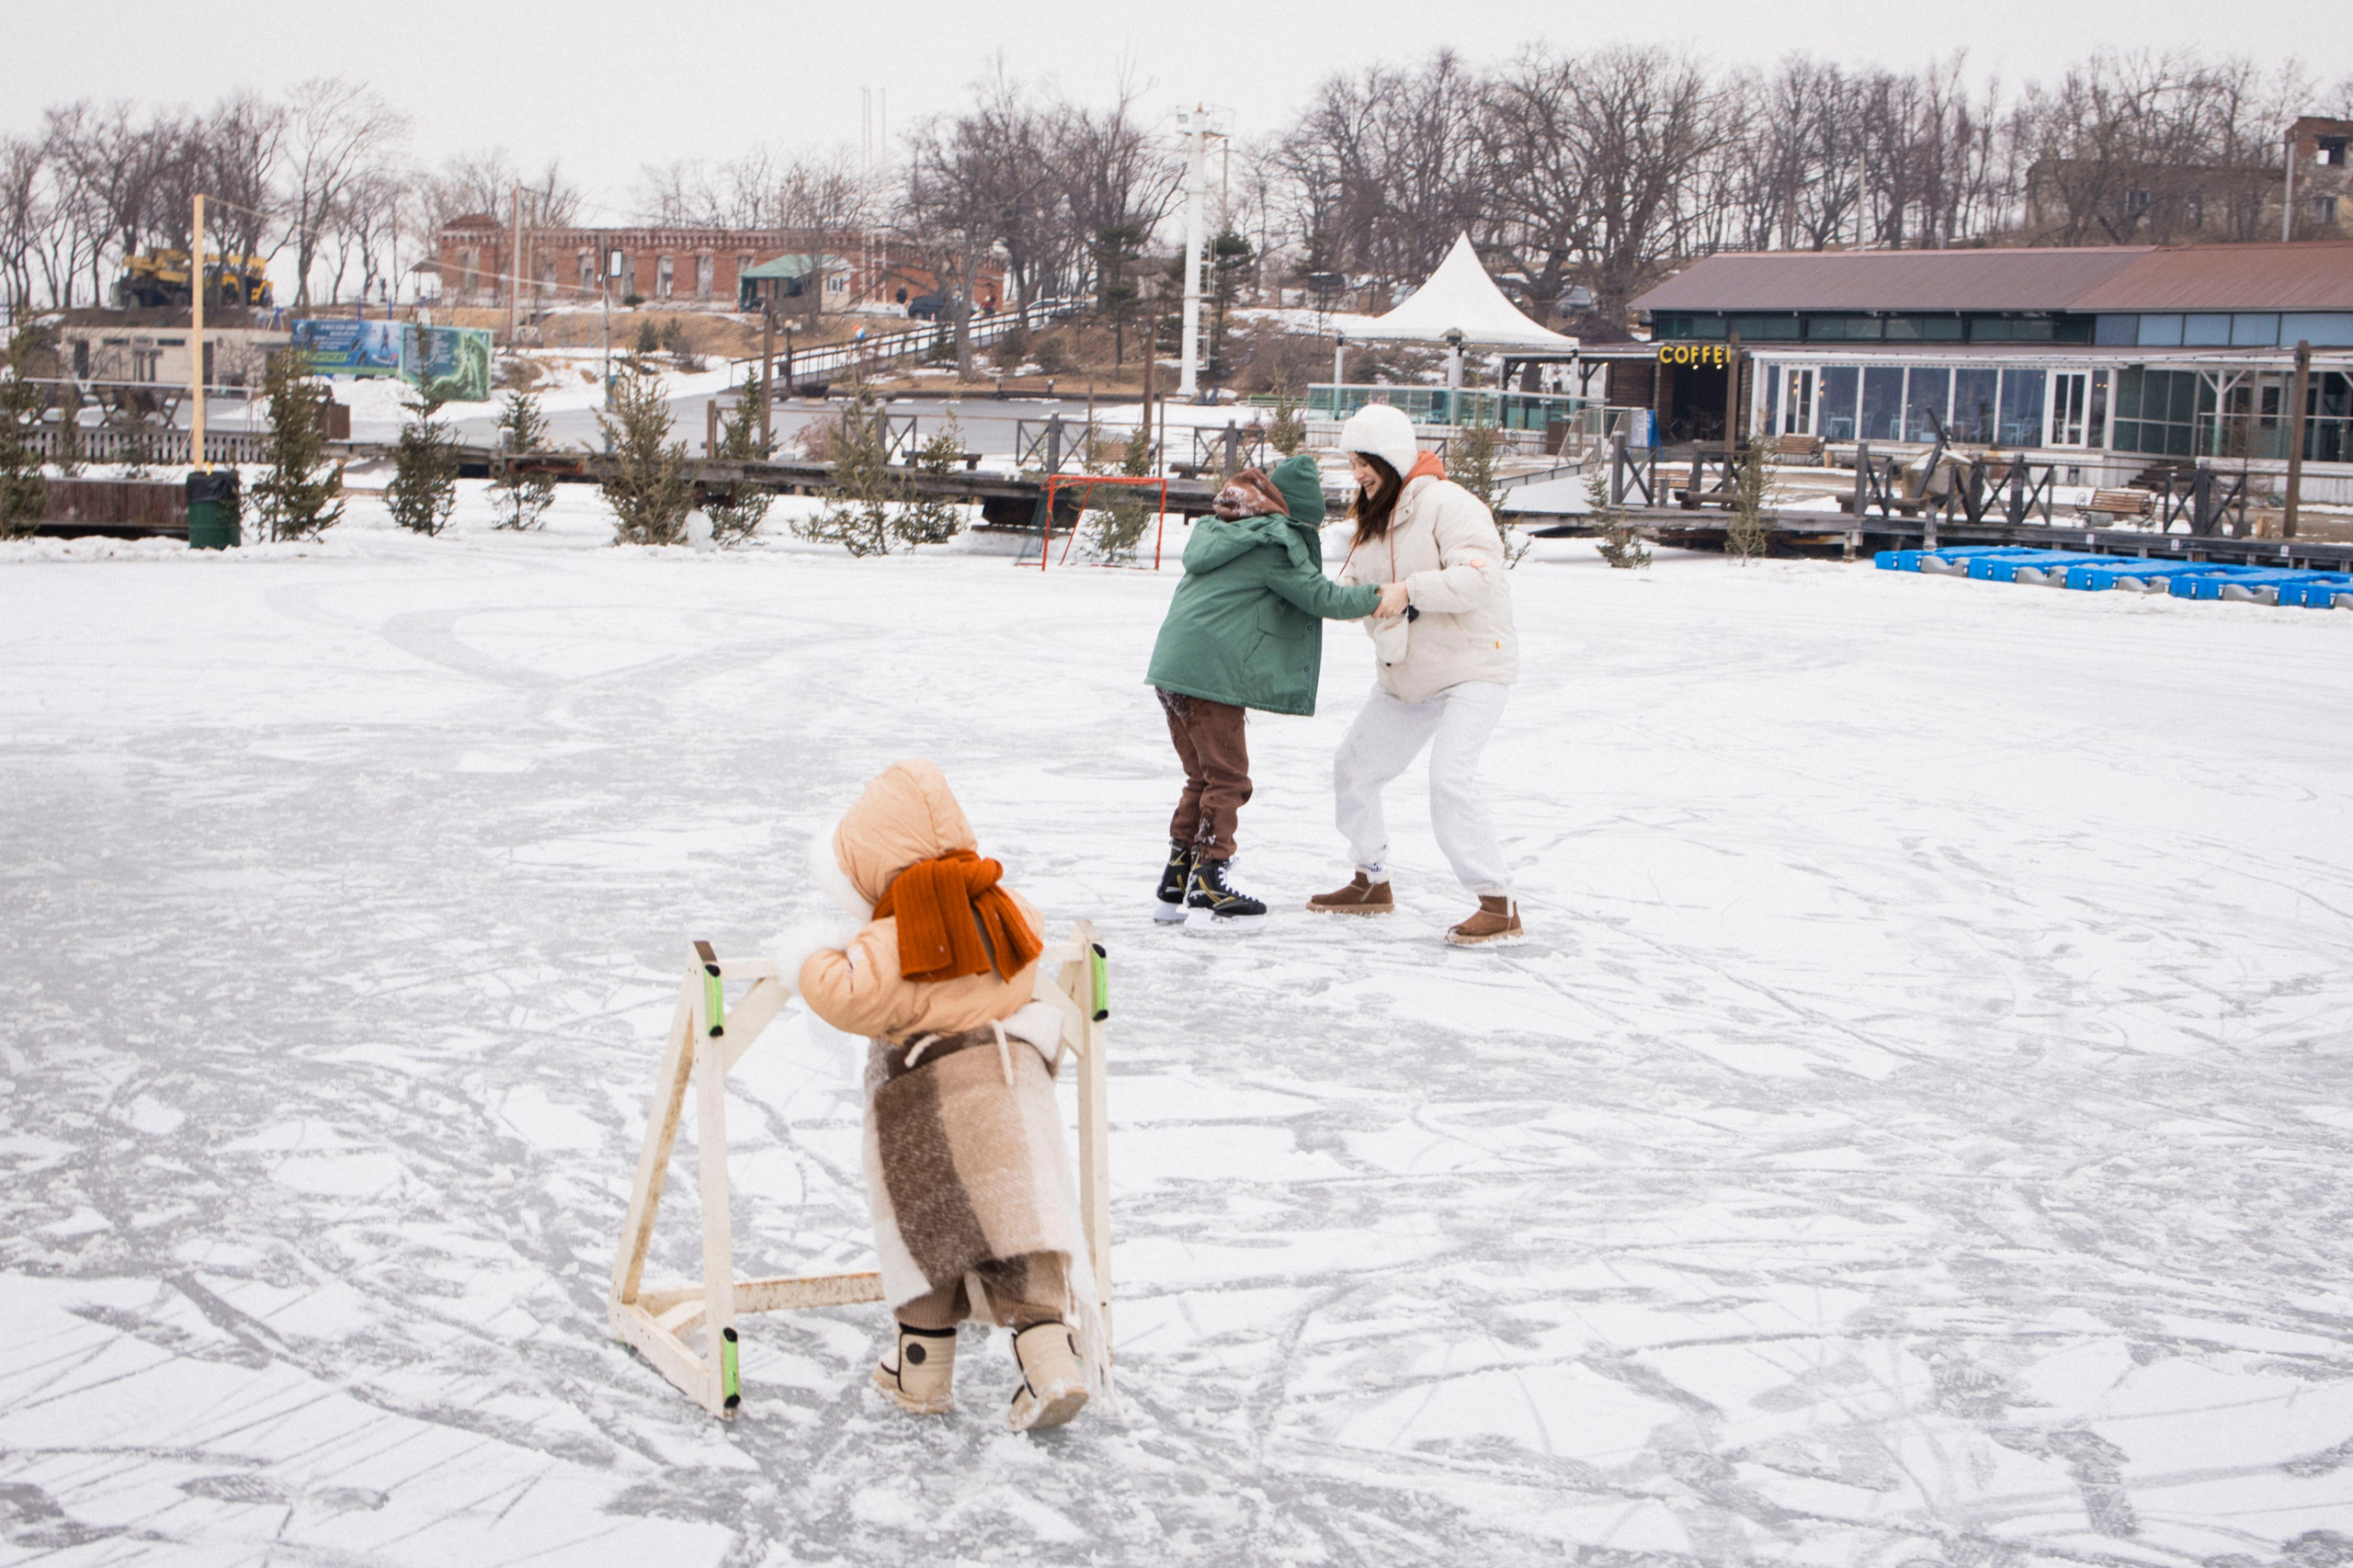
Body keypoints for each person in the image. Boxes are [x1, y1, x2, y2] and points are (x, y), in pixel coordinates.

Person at [776, 759, 1106, 1431]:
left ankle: (921, 1375)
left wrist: (810, 953)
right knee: (1020, 1238)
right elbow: (1031, 950)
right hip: (1009, 1097)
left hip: (926, 1105)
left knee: (928, 1234)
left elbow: (848, 994)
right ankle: (1051, 1364)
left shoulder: (894, 940)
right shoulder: (1007, 913)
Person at [1142, 453, 1406, 931]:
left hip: (1173, 671)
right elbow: (1320, 597)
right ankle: (1209, 886)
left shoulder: (1225, 531)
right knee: (1228, 780)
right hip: (1210, 677)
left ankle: (1174, 886)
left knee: (1202, 778)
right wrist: (1382, 595)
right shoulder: (1273, 542)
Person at [1308, 403, 1524, 946]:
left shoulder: (1449, 503)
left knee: (1449, 780)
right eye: (1353, 462)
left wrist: (1410, 591)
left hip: (1473, 665)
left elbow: (1480, 578)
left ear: (1393, 457)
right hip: (1405, 673)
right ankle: (1370, 882)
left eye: (1364, 461)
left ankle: (1498, 904)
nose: (1357, 473)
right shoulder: (1373, 520)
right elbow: (1357, 585)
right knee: (1354, 768)